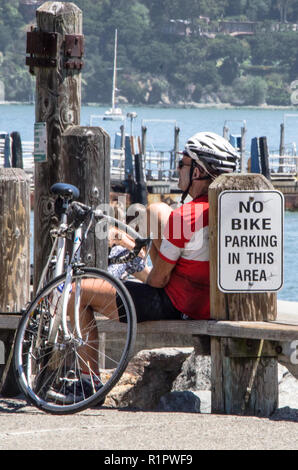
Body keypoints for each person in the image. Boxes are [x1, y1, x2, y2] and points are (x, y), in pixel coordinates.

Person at [76, 131, 239, 325]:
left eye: (182, 164)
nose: (178, 169)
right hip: (211, 306)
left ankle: (84, 357)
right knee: (157, 210)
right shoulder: (232, 209)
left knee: (79, 291)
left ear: (197, 172)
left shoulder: (187, 215)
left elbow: (157, 282)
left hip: (179, 307)